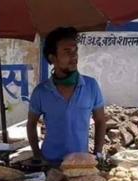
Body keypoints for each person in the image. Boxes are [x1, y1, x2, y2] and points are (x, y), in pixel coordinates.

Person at [27, 27, 107, 166]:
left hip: (80, 163)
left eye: (75, 51)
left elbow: (100, 120)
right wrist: (37, 154)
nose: (74, 57)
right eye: (67, 52)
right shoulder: (41, 92)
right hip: (50, 163)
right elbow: (31, 124)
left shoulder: (91, 86)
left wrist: (97, 153)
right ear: (53, 58)